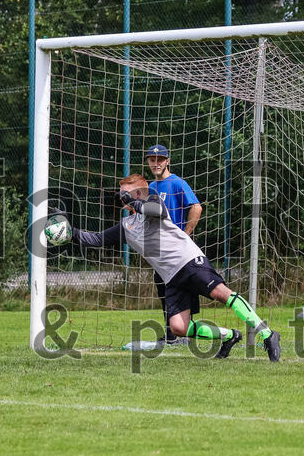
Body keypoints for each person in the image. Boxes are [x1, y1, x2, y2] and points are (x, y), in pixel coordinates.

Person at [55, 173, 280, 361]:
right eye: (121, 193)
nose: (121, 197)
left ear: (139, 193)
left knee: (222, 294)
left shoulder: (154, 203)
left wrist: (134, 202)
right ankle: (230, 335)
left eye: (126, 193)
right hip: (171, 277)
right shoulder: (126, 225)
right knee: (179, 328)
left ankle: (268, 334)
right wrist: (69, 232)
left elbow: (156, 211)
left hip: (189, 261)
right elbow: (95, 239)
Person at [144, 144, 203, 344]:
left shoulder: (177, 183)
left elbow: (196, 207)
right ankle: (171, 333)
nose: (156, 163)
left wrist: (186, 234)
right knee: (163, 291)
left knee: (183, 289)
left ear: (167, 161)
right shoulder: (150, 188)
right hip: (159, 250)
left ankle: (185, 332)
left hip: (178, 250)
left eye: (160, 159)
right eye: (152, 160)